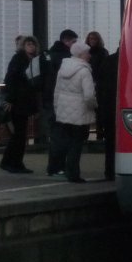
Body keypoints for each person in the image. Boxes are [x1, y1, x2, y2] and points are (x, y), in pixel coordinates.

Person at [52, 40, 97, 184]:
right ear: (81, 54)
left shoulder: (63, 68)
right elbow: (89, 95)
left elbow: (57, 91)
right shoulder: (84, 71)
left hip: (64, 111)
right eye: (87, 52)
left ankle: (64, 169)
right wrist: (94, 106)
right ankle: (74, 174)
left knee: (66, 142)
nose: (89, 55)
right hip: (80, 112)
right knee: (77, 144)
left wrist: (57, 107)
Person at [0, 35, 42, 174]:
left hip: (25, 102)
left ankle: (14, 162)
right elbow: (11, 79)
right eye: (28, 44)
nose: (31, 46)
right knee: (18, 134)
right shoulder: (19, 59)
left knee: (21, 134)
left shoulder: (34, 60)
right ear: (23, 46)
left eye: (33, 44)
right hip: (17, 102)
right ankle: (10, 162)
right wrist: (10, 99)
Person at [42, 29, 78, 174]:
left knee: (57, 135)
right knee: (60, 135)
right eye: (74, 42)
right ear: (67, 41)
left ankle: (55, 166)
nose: (75, 45)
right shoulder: (64, 58)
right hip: (59, 100)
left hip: (49, 100)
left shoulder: (49, 55)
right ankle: (56, 167)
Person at [95, 46, 119, 181]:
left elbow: (100, 88)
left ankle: (109, 171)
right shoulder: (130, 61)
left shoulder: (107, 61)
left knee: (110, 143)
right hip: (124, 109)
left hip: (108, 109)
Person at [85, 31, 109, 140]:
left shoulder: (101, 52)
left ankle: (100, 133)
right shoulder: (100, 52)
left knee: (99, 111)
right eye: (91, 39)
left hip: (98, 85)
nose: (92, 41)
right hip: (92, 83)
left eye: (94, 39)